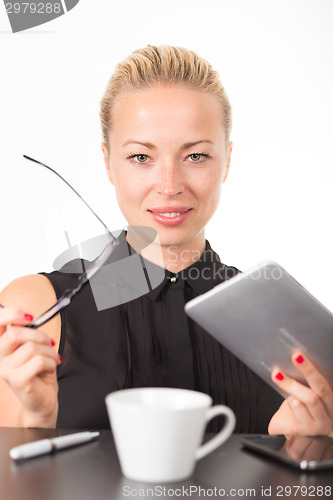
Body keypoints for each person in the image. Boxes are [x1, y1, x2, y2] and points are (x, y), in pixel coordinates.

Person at [0, 45, 332, 435]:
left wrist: (300, 450)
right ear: (108, 162)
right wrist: (34, 422)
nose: (169, 186)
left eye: (196, 156)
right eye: (141, 157)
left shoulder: (286, 322)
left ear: (227, 159)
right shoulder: (35, 310)